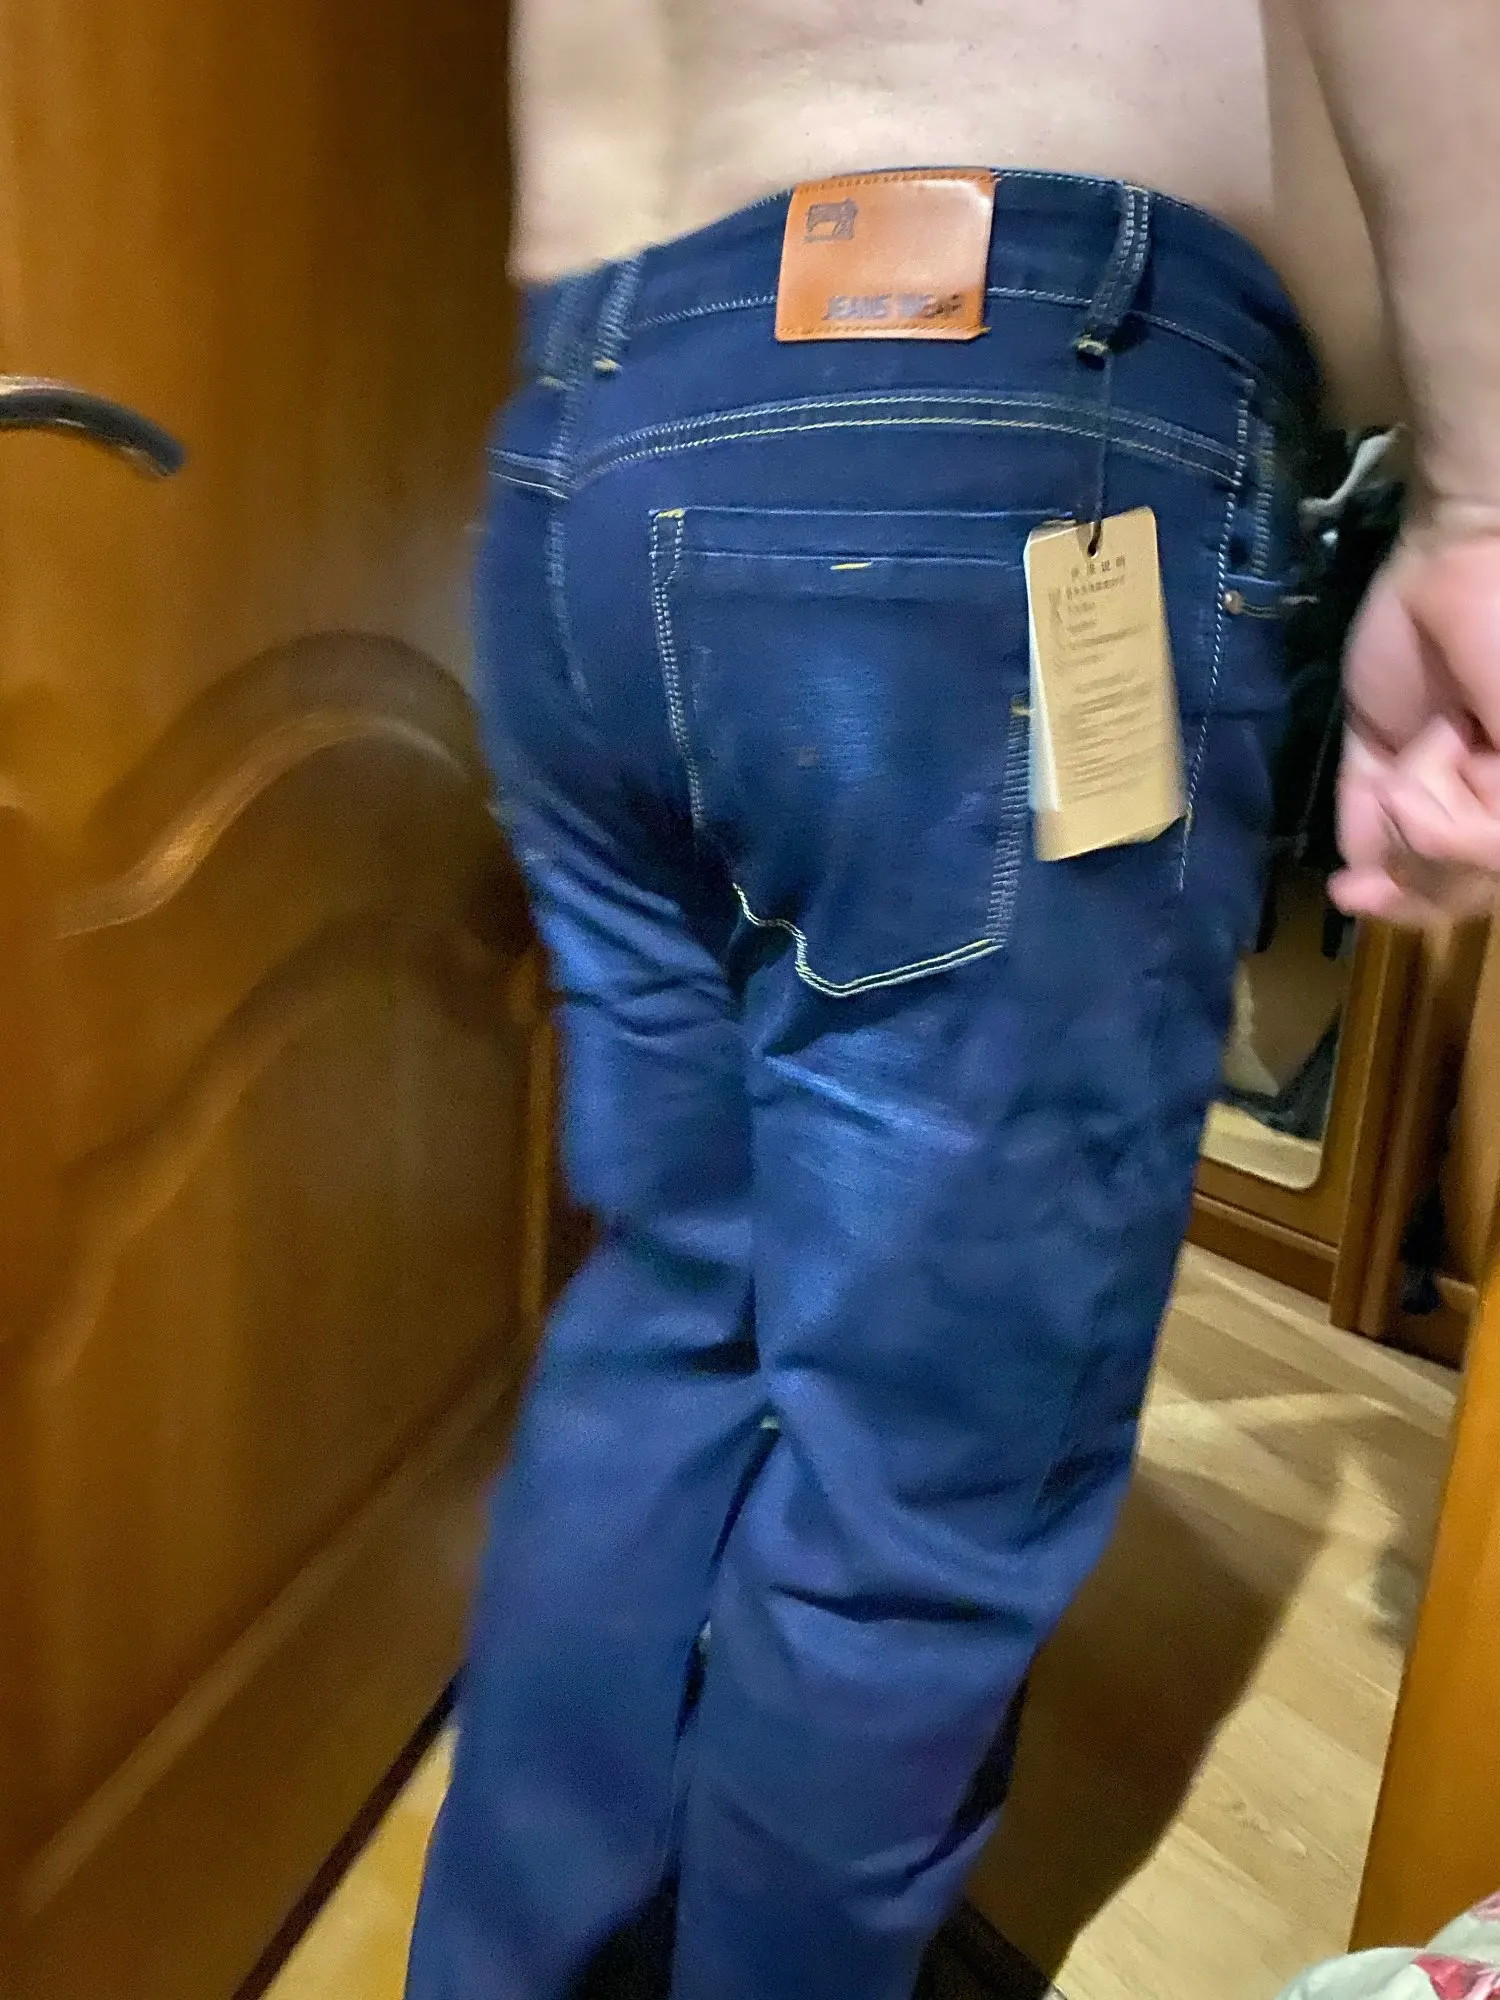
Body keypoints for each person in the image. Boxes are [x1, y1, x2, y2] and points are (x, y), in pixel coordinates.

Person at [405, 6, 1500, 1997]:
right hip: (994, 401)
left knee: (671, 1318)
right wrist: (1482, 509)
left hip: (590, 436)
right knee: (924, 1470)